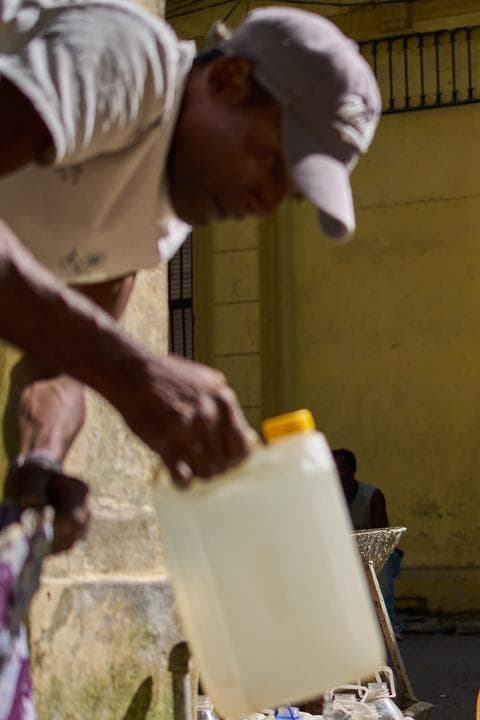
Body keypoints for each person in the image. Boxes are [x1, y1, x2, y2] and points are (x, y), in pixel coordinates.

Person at [0, 2, 380, 714]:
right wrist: (135, 372)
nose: (268, 204)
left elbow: (55, 369)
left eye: (289, 194)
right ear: (228, 79)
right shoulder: (127, 61)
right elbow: (98, 356)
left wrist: (39, 467)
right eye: (272, 163)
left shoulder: (151, 228)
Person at [334, 449, 403, 634]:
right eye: (333, 469)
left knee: (383, 564)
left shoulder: (371, 496)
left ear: (352, 470)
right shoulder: (324, 499)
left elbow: (380, 539)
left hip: (373, 554)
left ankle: (387, 628)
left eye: (343, 468)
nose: (338, 474)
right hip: (342, 555)